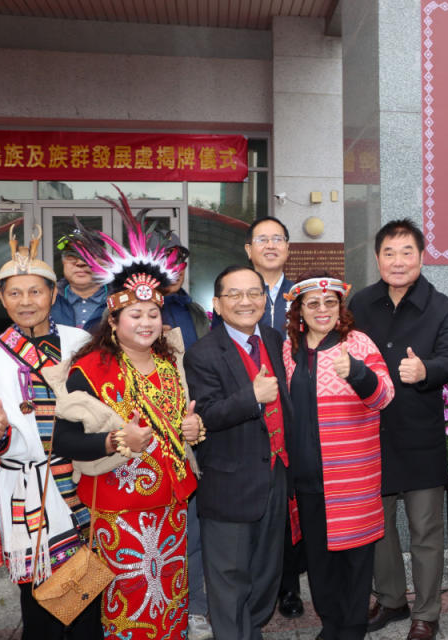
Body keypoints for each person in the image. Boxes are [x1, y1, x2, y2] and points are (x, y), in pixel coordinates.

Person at [51, 198, 201, 639]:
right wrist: (117, 441)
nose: (147, 322)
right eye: (135, 314)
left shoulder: (172, 360)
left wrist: (195, 429)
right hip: (119, 512)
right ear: (113, 320)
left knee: (170, 600)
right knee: (126, 606)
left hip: (172, 508)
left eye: (153, 313)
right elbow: (63, 439)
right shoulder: (89, 368)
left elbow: (182, 423)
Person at [0, 226, 99, 639]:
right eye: (14, 293)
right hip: (27, 487)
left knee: (85, 589)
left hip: (78, 477)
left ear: (52, 294)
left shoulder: (80, 342)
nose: (26, 302)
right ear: (2, 298)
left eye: (35, 292)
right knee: (40, 594)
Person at [350, 219, 448, 640]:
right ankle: (393, 601)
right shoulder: (359, 304)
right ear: (377, 257)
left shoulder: (440, 307)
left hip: (419, 435)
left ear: (421, 256)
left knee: (425, 531)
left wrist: (425, 369)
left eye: (407, 252)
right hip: (369, 433)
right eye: (389, 253)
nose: (398, 261)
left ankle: (427, 613)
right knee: (377, 528)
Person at [281, 273, 394, 640]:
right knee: (319, 559)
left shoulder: (357, 343)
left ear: (340, 308)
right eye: (313, 303)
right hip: (307, 477)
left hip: (351, 475)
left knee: (355, 559)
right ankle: (331, 625)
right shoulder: (289, 349)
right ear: (299, 310)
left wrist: (358, 373)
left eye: (330, 302)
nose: (322, 310)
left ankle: (352, 628)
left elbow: (384, 396)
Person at [184, 265, 293, 640]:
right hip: (229, 482)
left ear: (265, 299)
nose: (245, 301)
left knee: (266, 575)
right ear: (216, 303)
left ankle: (252, 631)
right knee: (229, 582)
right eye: (234, 294)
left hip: (275, 475)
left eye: (253, 293)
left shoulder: (275, 339)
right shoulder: (202, 353)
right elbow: (208, 414)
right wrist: (253, 398)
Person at [243, 216, 304, 619]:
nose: (269, 245)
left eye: (277, 238)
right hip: (245, 412)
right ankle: (251, 586)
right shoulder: (236, 291)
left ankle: (289, 587)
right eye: (261, 239)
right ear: (248, 249)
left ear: (287, 247)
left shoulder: (301, 296)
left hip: (292, 411)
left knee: (288, 502)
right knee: (250, 501)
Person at [153, 239, 213, 640]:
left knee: (191, 527)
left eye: (181, 265)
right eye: (167, 265)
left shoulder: (195, 312)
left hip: (191, 430)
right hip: (139, 439)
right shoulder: (123, 308)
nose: (175, 271)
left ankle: (196, 610)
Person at [49, 242, 107, 330]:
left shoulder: (122, 299)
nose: (80, 263)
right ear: (63, 262)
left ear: (104, 262)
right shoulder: (47, 300)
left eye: (89, 256)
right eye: (72, 256)